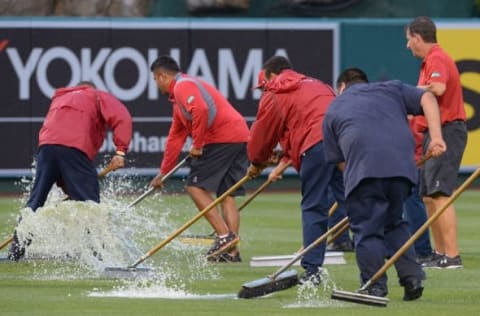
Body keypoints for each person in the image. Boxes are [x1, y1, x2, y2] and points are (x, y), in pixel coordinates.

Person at [323, 67, 446, 301]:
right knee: (394, 223)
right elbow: (428, 97)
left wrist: (356, 181)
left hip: (364, 170)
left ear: (342, 87)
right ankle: (412, 278)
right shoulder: (392, 88)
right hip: (402, 168)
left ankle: (374, 286)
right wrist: (437, 136)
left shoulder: (334, 107)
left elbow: (339, 160)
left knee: (367, 229)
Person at [247, 55, 349, 285]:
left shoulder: (275, 91)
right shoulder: (318, 85)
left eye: (263, 85)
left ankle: (312, 272)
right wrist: (285, 155)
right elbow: (303, 124)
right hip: (345, 143)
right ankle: (382, 260)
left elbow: (262, 137)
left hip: (316, 146)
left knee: (314, 206)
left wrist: (256, 162)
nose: (263, 90)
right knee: (356, 203)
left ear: (272, 76)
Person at [8, 81, 133, 261]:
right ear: (90, 87)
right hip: (74, 147)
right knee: (90, 203)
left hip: (46, 148)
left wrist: (71, 188)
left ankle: (16, 251)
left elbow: (61, 158)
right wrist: (120, 152)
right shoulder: (95, 95)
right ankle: (99, 255)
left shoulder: (60, 97)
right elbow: (123, 117)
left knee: (35, 202)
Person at [149, 55, 249, 262]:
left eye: (155, 78)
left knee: (195, 187)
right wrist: (163, 173)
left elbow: (201, 110)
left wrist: (197, 144)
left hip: (221, 138)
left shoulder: (182, 86)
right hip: (239, 135)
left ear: (162, 76)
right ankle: (232, 252)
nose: (155, 83)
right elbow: (175, 138)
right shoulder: (178, 101)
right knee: (226, 194)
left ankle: (224, 237)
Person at [406, 16, 467, 269]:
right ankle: (439, 253)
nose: (407, 45)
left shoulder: (437, 57)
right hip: (435, 132)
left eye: (408, 39)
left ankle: (452, 256)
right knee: (430, 197)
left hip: (447, 130)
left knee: (440, 194)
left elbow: (439, 88)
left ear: (418, 38)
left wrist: (413, 94)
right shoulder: (428, 61)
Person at [403, 117, 433, 263]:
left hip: (413, 161)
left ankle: (422, 250)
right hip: (409, 160)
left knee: (412, 202)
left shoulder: (417, 116)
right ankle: (418, 249)